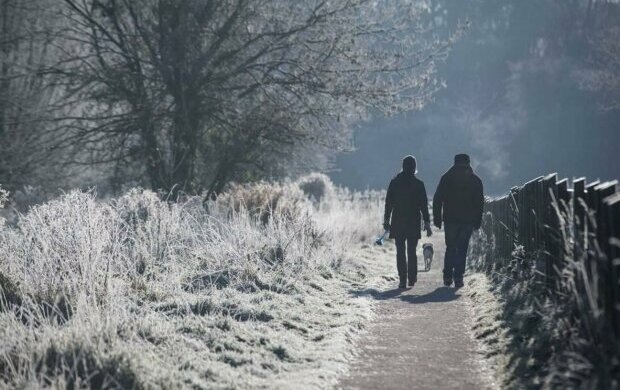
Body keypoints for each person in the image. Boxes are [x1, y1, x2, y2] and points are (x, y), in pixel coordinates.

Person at [433, 153, 484, 288]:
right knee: (462, 249)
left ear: (454, 162)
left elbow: (437, 199)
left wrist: (437, 218)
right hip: (467, 220)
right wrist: (477, 221)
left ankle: (447, 276)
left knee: (450, 247)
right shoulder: (475, 180)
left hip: (450, 219)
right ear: (468, 162)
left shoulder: (446, 178)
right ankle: (458, 277)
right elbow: (479, 203)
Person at [384, 155, 432, 288]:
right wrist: (427, 223)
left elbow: (388, 203)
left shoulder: (394, 182)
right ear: (415, 167)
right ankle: (412, 277)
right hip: (413, 221)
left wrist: (386, 220)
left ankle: (402, 279)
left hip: (398, 221)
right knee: (412, 250)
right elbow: (424, 205)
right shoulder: (419, 184)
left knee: (400, 250)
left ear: (402, 166)